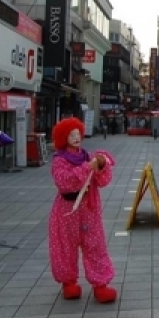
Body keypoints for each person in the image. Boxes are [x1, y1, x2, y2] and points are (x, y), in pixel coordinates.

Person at [48, 118, 117, 304]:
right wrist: (88, 168)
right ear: (63, 138)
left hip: (89, 209)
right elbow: (64, 182)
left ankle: (100, 285)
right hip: (66, 211)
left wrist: (101, 164)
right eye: (71, 134)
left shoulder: (87, 155)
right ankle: (68, 282)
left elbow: (102, 181)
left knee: (95, 245)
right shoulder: (59, 160)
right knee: (65, 247)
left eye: (78, 133)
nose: (76, 137)